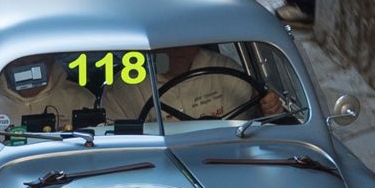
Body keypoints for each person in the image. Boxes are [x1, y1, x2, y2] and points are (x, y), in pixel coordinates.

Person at [102, 45, 282, 123]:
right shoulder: (126, 85)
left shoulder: (225, 69)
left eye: (184, 41)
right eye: (169, 42)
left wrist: (267, 109)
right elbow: (115, 142)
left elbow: (249, 128)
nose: (178, 49)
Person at [0, 55, 96, 140]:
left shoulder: (80, 98)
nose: (27, 68)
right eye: (20, 62)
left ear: (50, 60)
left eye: (36, 62)